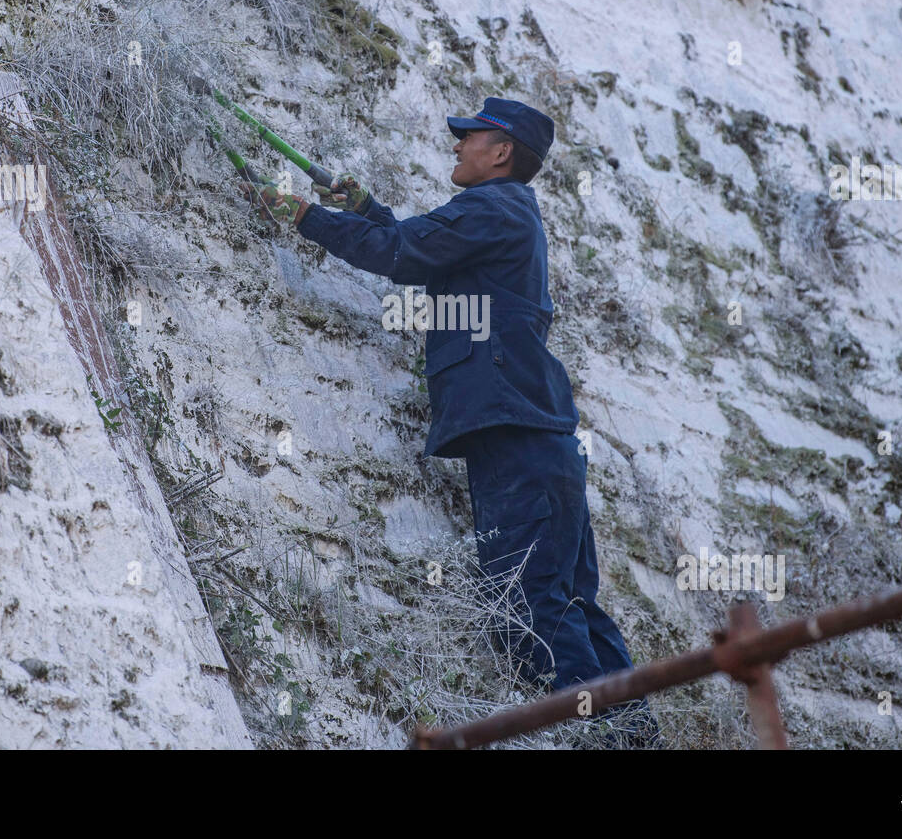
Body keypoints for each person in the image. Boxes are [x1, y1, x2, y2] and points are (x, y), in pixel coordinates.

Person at [238, 96, 662, 747]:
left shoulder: (494, 206)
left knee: (528, 609)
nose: (457, 145)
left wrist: (307, 218)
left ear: (501, 154)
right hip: (538, 438)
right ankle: (634, 737)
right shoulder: (506, 215)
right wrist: (365, 213)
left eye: (471, 137)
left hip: (519, 439)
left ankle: (595, 739)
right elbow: (426, 254)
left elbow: (405, 255)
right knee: (570, 604)